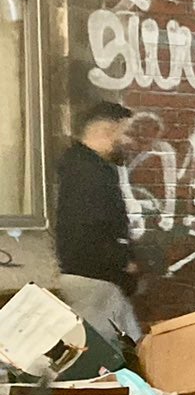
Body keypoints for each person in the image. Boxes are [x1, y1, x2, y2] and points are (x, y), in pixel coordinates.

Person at [52, 101, 142, 346]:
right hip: (95, 281)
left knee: (129, 348)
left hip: (96, 281)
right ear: (106, 131)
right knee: (105, 356)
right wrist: (123, 261)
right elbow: (89, 228)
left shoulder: (82, 166)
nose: (127, 142)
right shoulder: (89, 173)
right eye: (123, 133)